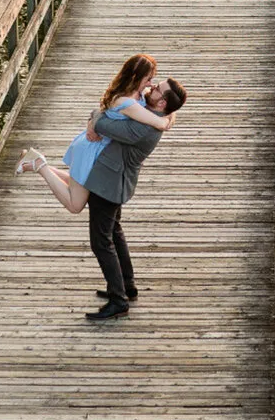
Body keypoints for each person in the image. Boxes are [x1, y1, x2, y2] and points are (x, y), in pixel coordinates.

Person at [15, 53, 188, 321]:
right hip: (112, 178)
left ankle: (119, 300)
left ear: (162, 102)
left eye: (157, 88)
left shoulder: (143, 129)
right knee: (114, 232)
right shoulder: (151, 111)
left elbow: (106, 123)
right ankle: (126, 286)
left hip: (109, 182)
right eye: (153, 82)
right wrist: (101, 114)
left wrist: (97, 117)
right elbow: (111, 112)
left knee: (101, 242)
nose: (152, 87)